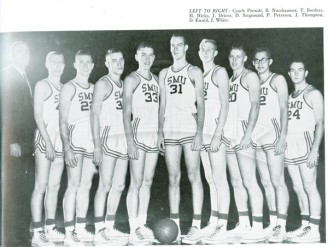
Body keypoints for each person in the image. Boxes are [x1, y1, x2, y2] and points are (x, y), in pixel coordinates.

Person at [158, 34, 205, 245]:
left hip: (189, 127)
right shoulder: (163, 73)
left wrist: (200, 132)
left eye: (179, 45)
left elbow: (201, 105)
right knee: (173, 178)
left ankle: (196, 225)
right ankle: (175, 225)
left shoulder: (195, 71)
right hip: (170, 129)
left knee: (194, 175)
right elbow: (162, 104)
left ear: (186, 47)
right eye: (172, 46)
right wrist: (160, 131)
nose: (175, 49)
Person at [224, 45, 265, 243]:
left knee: (249, 180)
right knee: (236, 181)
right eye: (231, 56)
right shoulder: (230, 79)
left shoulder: (250, 76)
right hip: (230, 134)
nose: (234, 60)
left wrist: (248, 135)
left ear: (245, 58)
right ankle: (244, 223)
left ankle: (258, 227)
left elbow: (256, 105)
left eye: (238, 57)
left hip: (244, 133)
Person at [91, 48, 129, 245]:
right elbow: (94, 115)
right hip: (108, 139)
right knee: (104, 185)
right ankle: (99, 231)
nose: (119, 63)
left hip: (123, 139)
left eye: (121, 60)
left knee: (119, 185)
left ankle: (110, 226)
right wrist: (97, 145)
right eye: (114, 61)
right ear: (107, 63)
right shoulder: (103, 84)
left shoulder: (125, 84)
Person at [123, 42, 160, 245]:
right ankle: (132, 229)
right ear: (137, 57)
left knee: (147, 181)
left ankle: (142, 224)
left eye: (150, 55)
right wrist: (130, 140)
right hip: (137, 135)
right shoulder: (131, 79)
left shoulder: (155, 79)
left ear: (153, 58)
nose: (147, 58)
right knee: (135, 183)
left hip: (153, 136)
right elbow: (126, 112)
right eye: (143, 54)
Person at [252, 47, 290, 243]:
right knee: (266, 182)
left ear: (270, 61)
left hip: (273, 135)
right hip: (257, 136)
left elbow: (285, 107)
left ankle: (282, 226)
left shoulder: (278, 79)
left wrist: (283, 136)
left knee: (277, 181)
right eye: (257, 60)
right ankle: (274, 223)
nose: (260, 63)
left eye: (263, 60)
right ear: (253, 63)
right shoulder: (253, 81)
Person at [59, 50, 96, 246]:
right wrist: (67, 148)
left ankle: (80, 228)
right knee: (73, 185)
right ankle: (68, 232)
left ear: (92, 65)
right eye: (81, 62)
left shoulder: (94, 87)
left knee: (86, 185)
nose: (84, 65)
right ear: (75, 64)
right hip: (75, 138)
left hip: (91, 139)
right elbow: (62, 121)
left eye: (88, 62)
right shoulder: (69, 87)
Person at [196, 39, 231, 244]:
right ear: (199, 52)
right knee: (210, 178)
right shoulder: (199, 74)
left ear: (215, 52)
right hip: (203, 132)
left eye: (210, 49)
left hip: (216, 132)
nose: (206, 52)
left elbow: (225, 105)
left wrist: (218, 133)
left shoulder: (220, 72)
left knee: (220, 178)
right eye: (203, 49)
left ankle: (223, 227)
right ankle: (214, 220)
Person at [285, 59, 324, 243]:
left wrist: (315, 149)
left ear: (306, 72)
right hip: (290, 146)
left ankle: (314, 229)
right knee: (298, 187)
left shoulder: (313, 93)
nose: (296, 73)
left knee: (309, 186)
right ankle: (305, 225)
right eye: (293, 70)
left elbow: (320, 123)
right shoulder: (290, 95)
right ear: (289, 73)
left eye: (300, 70)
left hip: (306, 145)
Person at [2, 41, 36, 246]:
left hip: (27, 144)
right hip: (15, 145)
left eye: (27, 51)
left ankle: (22, 233)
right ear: (11, 55)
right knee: (13, 191)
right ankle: (12, 236)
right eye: (20, 51)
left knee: (24, 189)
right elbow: (6, 111)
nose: (25, 54)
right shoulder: (7, 75)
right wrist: (12, 140)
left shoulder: (25, 77)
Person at [30, 51, 66, 246]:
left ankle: (50, 229)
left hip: (60, 140)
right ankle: (37, 233)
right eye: (54, 62)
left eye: (61, 62)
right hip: (45, 139)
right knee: (41, 186)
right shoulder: (42, 85)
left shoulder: (65, 87)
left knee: (54, 186)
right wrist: (48, 143)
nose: (58, 65)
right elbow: (38, 116)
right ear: (46, 63)